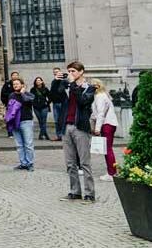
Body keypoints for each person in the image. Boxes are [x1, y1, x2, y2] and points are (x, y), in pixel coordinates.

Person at [61, 61, 96, 203]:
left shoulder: (90, 88)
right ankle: (75, 192)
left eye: (73, 71)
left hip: (80, 127)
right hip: (67, 126)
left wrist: (73, 85)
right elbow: (55, 96)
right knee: (70, 163)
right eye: (68, 71)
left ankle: (89, 194)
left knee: (84, 162)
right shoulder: (68, 86)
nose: (70, 74)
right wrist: (58, 83)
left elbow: (83, 101)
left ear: (81, 72)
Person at [91, 80, 118, 182]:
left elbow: (100, 114)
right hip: (108, 124)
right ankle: (111, 172)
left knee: (108, 149)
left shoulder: (100, 96)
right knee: (107, 149)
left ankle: (112, 173)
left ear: (97, 86)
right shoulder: (103, 95)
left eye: (93, 85)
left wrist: (97, 128)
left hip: (106, 124)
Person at [6, 78, 35, 171]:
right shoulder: (11, 95)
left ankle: (30, 163)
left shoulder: (28, 94)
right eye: (14, 84)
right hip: (15, 122)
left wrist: (22, 93)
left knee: (28, 144)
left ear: (22, 85)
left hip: (26, 121)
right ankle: (23, 163)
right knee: (19, 144)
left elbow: (27, 101)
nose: (15, 85)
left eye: (17, 84)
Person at [49, 67, 69, 141]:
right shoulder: (53, 81)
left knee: (63, 119)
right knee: (57, 120)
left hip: (63, 103)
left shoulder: (63, 81)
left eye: (57, 72)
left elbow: (62, 90)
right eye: (54, 72)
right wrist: (55, 81)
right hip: (55, 103)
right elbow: (52, 91)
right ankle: (59, 135)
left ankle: (64, 135)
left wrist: (64, 79)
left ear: (60, 72)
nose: (56, 73)